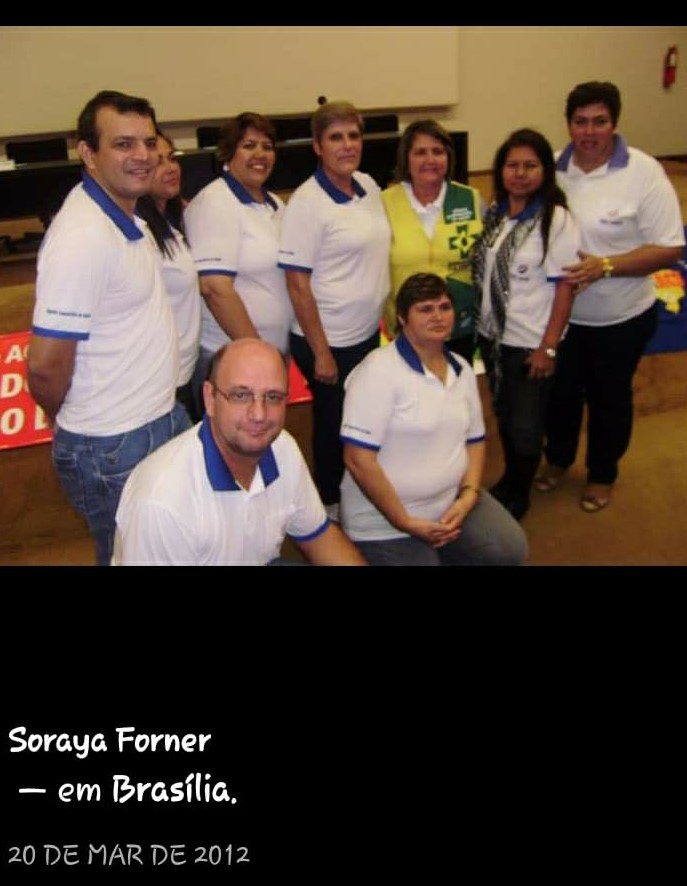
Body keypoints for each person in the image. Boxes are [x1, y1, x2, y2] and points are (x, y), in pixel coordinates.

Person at [27, 90, 190, 567]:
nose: (142, 155)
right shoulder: (83, 237)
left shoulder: (126, 214)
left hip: (154, 419)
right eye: (123, 144)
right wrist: (70, 420)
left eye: (148, 142)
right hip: (114, 443)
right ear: (88, 153)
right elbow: (44, 367)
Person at [536, 81, 685, 512]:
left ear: (614, 124)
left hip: (621, 319)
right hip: (560, 320)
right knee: (560, 398)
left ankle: (602, 474)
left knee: (610, 400)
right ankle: (558, 460)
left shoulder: (644, 172)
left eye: (599, 121)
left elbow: (669, 247)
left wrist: (605, 266)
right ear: (568, 124)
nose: (589, 131)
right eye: (580, 121)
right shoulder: (552, 169)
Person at [112, 339, 367, 566]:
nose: (259, 414)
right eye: (241, 395)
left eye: (273, 397)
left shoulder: (282, 448)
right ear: (210, 399)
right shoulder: (161, 502)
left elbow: (319, 537)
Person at [339, 273, 528, 566]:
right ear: (402, 318)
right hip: (385, 523)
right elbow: (357, 460)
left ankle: (440, 544)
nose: (438, 316)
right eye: (425, 309)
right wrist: (404, 521)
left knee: (510, 550)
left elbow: (475, 441)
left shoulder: (462, 369)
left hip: (450, 504)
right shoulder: (377, 371)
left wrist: (468, 496)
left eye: (444, 307)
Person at [277, 101, 391, 521]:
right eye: (336, 137)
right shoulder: (307, 202)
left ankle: (356, 490)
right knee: (334, 425)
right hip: (328, 341)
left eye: (353, 136)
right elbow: (296, 282)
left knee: (362, 417)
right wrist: (321, 352)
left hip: (365, 333)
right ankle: (328, 505)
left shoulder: (368, 185)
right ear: (318, 146)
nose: (347, 145)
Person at [471, 128, 580, 520]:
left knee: (525, 426)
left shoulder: (556, 220)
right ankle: (509, 479)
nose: (519, 174)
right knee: (503, 413)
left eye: (530, 166)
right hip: (493, 337)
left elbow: (566, 287)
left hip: (529, 343)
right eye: (512, 165)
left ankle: (519, 493)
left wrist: (548, 347)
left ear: (545, 171)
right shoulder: (496, 214)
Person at [184, 112, 294, 421]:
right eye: (249, 145)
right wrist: (258, 354)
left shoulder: (275, 204)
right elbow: (215, 289)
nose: (260, 154)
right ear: (228, 153)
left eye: (267, 146)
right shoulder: (215, 203)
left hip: (271, 352)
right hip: (230, 357)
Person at [381, 119, 484, 363]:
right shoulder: (384, 202)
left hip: (460, 325)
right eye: (420, 152)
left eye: (438, 151)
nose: (430, 160)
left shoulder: (471, 199)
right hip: (406, 328)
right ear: (406, 159)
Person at [136, 130, 201, 422]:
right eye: (158, 162)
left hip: (186, 367)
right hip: (162, 378)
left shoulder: (173, 220)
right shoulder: (140, 233)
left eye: (172, 158)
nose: (171, 168)